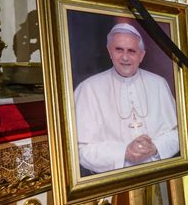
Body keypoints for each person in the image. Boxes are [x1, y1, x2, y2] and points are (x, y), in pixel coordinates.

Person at [74, 23, 179, 176]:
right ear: (109, 51)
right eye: (119, 50)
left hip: (156, 175)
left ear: (141, 55)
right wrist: (124, 152)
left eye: (131, 51)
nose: (124, 57)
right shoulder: (88, 89)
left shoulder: (159, 84)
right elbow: (81, 150)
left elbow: (178, 133)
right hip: (112, 182)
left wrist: (155, 147)